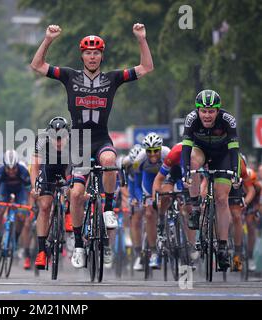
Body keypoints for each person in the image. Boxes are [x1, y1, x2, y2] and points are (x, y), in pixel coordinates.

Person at [30, 23, 154, 268]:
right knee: (76, 194)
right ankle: (77, 244)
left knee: (110, 161)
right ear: (82, 55)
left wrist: (141, 39)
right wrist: (47, 40)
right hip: (78, 143)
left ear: (101, 56)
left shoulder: (112, 78)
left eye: (97, 52)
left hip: (101, 139)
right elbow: (37, 66)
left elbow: (146, 67)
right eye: (88, 52)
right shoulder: (69, 76)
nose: (92, 56)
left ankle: (108, 206)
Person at [181, 89, 240, 271]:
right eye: (203, 111)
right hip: (201, 151)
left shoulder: (228, 120)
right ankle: (196, 207)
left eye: (211, 111)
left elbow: (234, 150)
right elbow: (185, 148)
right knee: (193, 161)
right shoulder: (191, 119)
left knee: (222, 199)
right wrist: (186, 172)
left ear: (218, 110)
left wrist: (235, 172)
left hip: (223, 154)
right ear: (198, 110)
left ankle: (222, 247)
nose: (207, 115)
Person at [31, 117, 71, 269]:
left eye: (61, 138)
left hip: (67, 168)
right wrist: (35, 187)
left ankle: (67, 214)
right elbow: (35, 164)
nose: (58, 142)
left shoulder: (76, 140)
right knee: (45, 206)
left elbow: (81, 169)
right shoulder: (41, 139)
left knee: (73, 191)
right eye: (55, 138)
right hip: (48, 169)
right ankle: (41, 252)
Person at [133, 133, 170, 269]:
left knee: (167, 196)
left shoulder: (168, 153)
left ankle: (164, 220)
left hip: (165, 178)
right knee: (148, 214)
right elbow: (136, 183)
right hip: (148, 181)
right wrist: (138, 197)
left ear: (161, 149)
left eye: (156, 151)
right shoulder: (139, 159)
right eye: (149, 151)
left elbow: (178, 173)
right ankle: (154, 252)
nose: (153, 154)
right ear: (145, 150)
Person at [0, 150, 32, 269]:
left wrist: (29, 206)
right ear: (4, 166)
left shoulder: (24, 172)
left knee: (21, 216)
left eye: (14, 168)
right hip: (5, 189)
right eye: (8, 169)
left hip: (20, 192)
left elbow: (29, 192)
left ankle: (16, 238)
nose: (11, 171)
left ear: (17, 165)